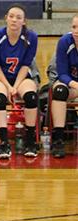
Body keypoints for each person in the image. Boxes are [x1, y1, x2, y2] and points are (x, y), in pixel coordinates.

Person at [0, 4, 39, 159]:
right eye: (11, 16)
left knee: (31, 96)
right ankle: (4, 143)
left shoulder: (31, 37)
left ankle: (30, 141)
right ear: (6, 18)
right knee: (0, 98)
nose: (14, 20)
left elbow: (26, 64)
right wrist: (8, 87)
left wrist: (15, 86)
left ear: (24, 21)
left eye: (18, 17)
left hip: (20, 77)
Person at [50, 14, 78, 158]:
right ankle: (59, 139)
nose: (76, 31)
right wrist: (75, 84)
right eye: (74, 27)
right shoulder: (64, 42)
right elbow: (62, 73)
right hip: (70, 83)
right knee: (59, 91)